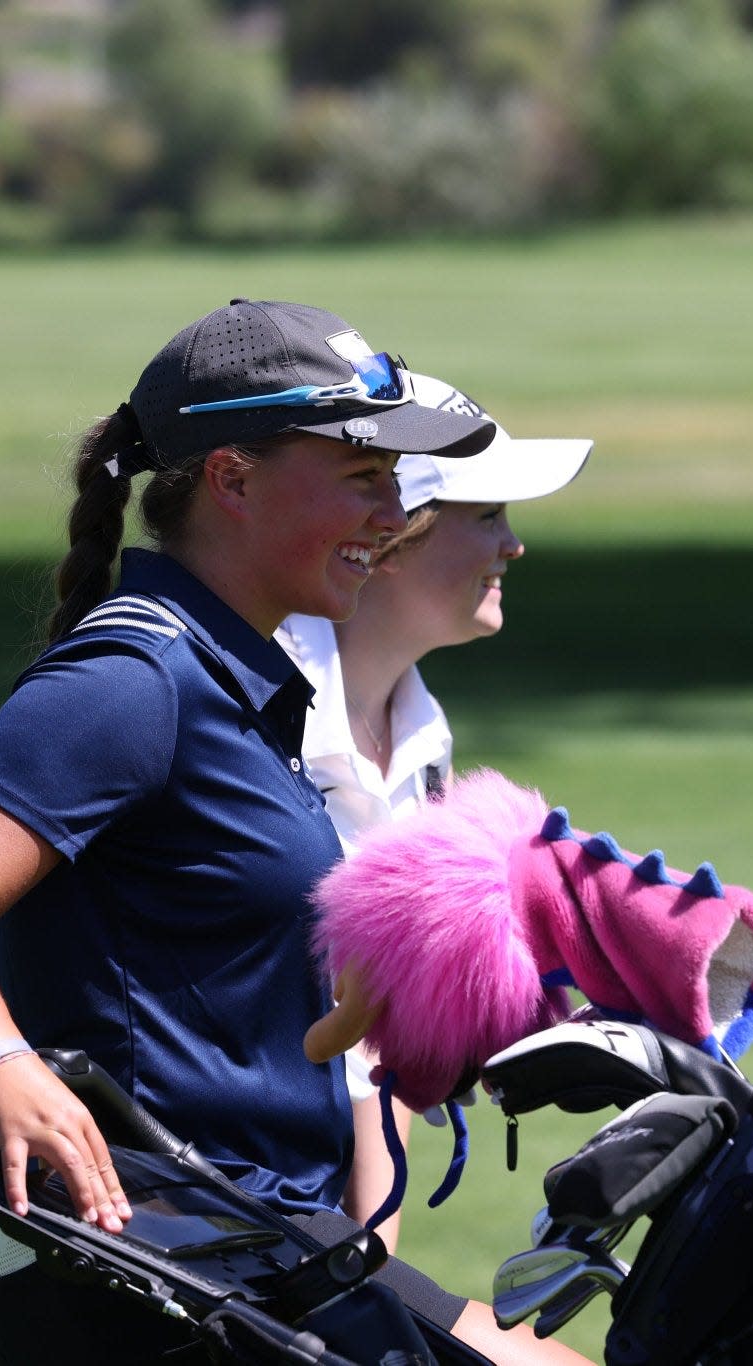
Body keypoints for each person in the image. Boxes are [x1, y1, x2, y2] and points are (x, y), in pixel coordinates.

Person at [0, 300, 585, 1364]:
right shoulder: (136, 676)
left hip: (254, 1245)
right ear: (231, 479)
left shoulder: (239, 680)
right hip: (151, 1262)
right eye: (361, 477)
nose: (392, 514)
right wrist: (0, 1070)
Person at [276, 372, 590, 1245]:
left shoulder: (426, 748)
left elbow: (376, 1048)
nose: (514, 545)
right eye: (487, 515)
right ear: (394, 536)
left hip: (305, 1215)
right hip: (163, 1206)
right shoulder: (232, 704)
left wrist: (371, 1249)